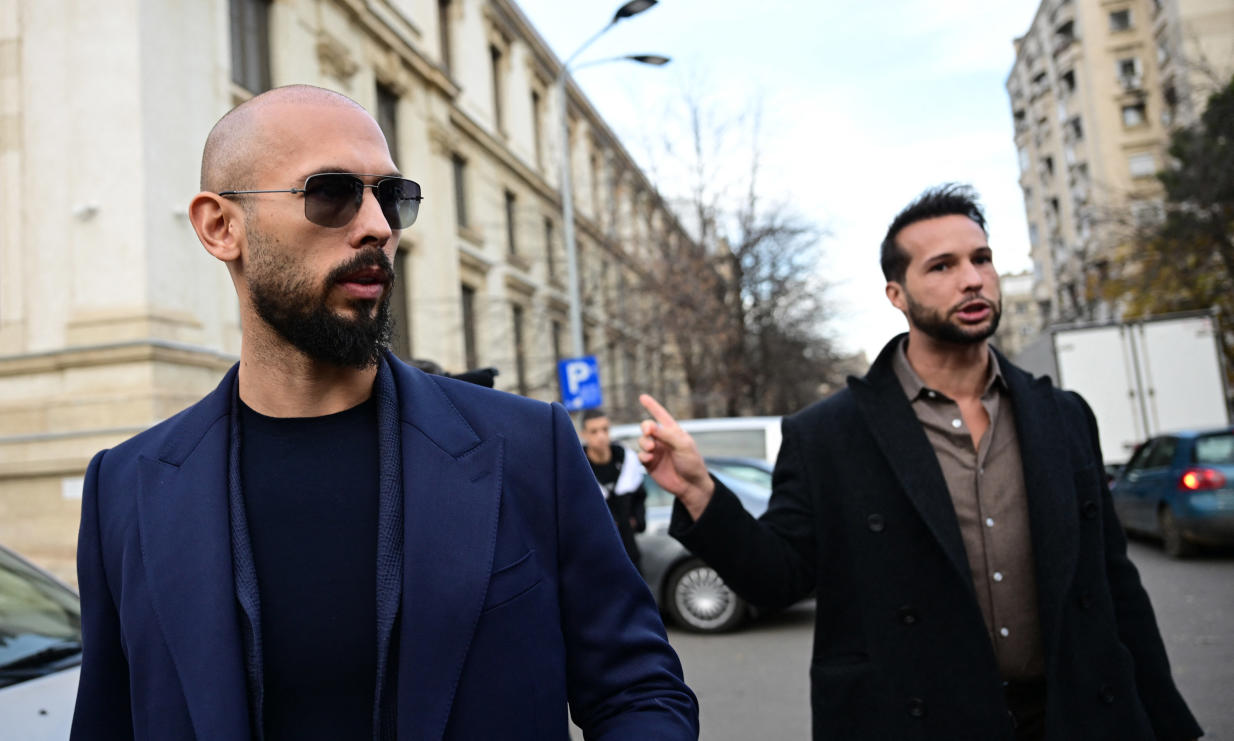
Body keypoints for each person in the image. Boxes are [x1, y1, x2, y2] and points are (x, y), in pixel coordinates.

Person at [70, 85, 697, 741]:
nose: (377, 226)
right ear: (221, 226)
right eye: (331, 193)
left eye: (393, 197)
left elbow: (639, 692)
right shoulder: (127, 487)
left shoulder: (526, 447)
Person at [637, 184, 1201, 741]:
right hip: (914, 721)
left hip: (1071, 717)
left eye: (982, 259)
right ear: (897, 295)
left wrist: (1168, 722)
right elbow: (778, 576)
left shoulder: (1063, 416)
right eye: (942, 266)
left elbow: (1113, 585)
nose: (972, 278)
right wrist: (701, 493)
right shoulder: (830, 434)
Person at [580, 409, 648, 570]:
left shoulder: (626, 460)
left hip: (629, 551)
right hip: (596, 557)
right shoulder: (579, 467)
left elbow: (640, 495)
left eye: (605, 429)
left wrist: (636, 521)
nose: (601, 436)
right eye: (594, 431)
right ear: (584, 434)